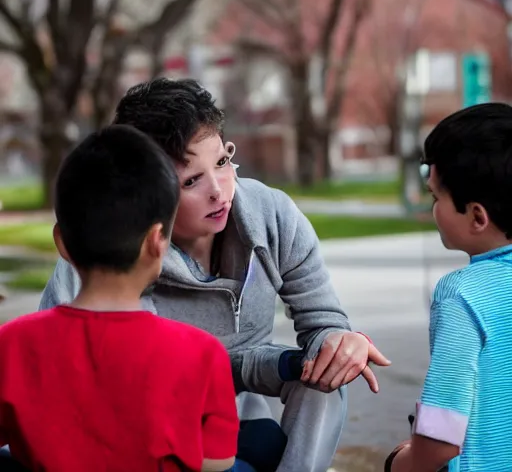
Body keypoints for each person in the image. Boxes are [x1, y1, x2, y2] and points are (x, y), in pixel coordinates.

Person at [40, 78, 391, 472]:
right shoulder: (107, 254)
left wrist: (341, 343)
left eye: (223, 161)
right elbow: (59, 370)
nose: (220, 191)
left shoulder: (273, 215)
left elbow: (323, 320)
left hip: (241, 411)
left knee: (327, 371)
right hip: (151, 430)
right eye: (191, 180)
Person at [0, 125, 241, 472]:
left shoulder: (12, 344)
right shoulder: (203, 355)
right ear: (157, 241)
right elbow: (217, 462)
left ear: (62, 243)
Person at [386, 103, 512, 472]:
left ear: (476, 216)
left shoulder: (462, 295)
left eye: (435, 198)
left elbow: (441, 438)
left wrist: (400, 463)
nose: (433, 209)